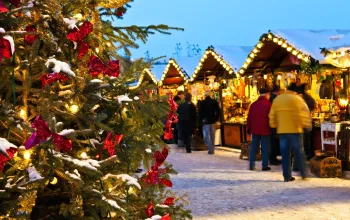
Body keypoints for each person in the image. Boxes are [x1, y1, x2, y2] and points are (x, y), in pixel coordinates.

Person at [269, 83, 312, 182]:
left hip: (282, 131)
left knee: (285, 154)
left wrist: (274, 125)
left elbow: (272, 115)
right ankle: (303, 173)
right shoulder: (298, 99)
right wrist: (306, 125)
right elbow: (304, 113)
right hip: (296, 130)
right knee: (299, 152)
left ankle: (287, 176)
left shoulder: (277, 100)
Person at [247, 88, 272, 171]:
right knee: (265, 148)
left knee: (254, 147)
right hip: (265, 129)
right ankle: (264, 165)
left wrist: (249, 129)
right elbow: (271, 117)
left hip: (255, 130)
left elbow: (249, 118)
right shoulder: (268, 104)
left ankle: (251, 165)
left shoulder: (253, 104)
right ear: (266, 94)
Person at [269, 85, 281, 165]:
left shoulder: (270, 98)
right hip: (274, 124)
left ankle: (273, 158)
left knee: (273, 141)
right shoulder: (275, 99)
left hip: (271, 123)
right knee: (274, 141)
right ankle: (273, 159)